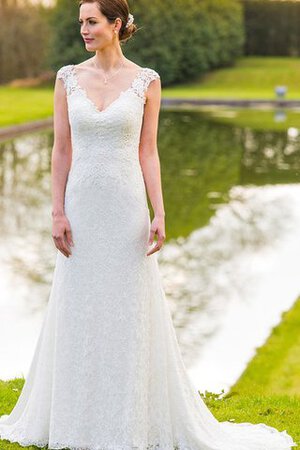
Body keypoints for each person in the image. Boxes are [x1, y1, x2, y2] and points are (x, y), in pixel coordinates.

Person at [0, 0, 297, 449]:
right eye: (80, 22)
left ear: (116, 25)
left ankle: (128, 418)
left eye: (91, 21)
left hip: (125, 209)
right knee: (79, 303)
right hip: (80, 207)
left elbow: (148, 152)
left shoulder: (147, 82)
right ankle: (74, 416)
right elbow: (61, 149)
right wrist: (56, 211)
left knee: (127, 307)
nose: (83, 29)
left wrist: (159, 211)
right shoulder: (66, 79)